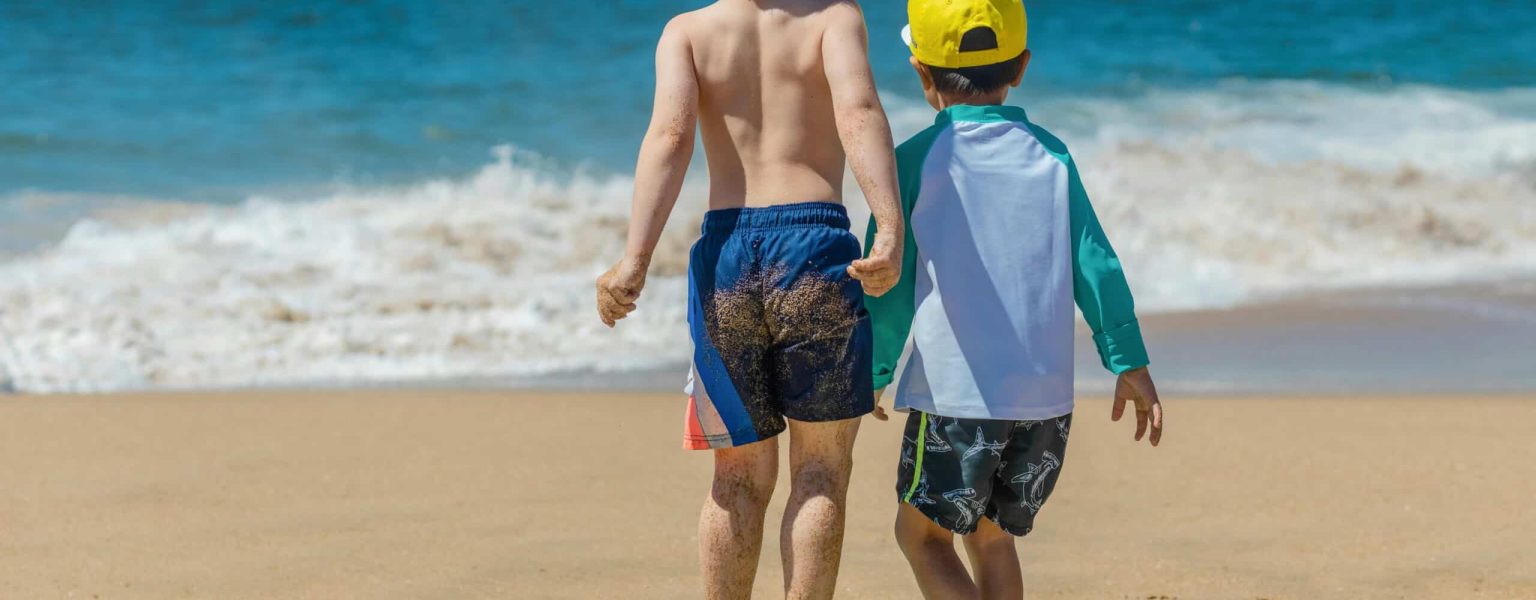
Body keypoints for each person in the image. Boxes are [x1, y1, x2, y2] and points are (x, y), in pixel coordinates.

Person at [593, 2, 906, 598]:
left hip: (727, 253)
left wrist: (635, 259)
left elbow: (670, 137)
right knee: (820, 473)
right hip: (815, 247)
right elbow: (858, 110)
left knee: (735, 476)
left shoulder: (686, 31)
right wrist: (888, 226)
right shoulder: (833, 19)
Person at [863, 1, 1165, 598]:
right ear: (1021, 67)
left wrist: (871, 370)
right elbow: (1095, 263)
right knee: (993, 536)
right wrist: (1127, 360)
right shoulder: (1052, 155)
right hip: (1044, 401)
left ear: (921, 72)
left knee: (920, 537)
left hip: (957, 397)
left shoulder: (913, 164)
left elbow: (887, 282)